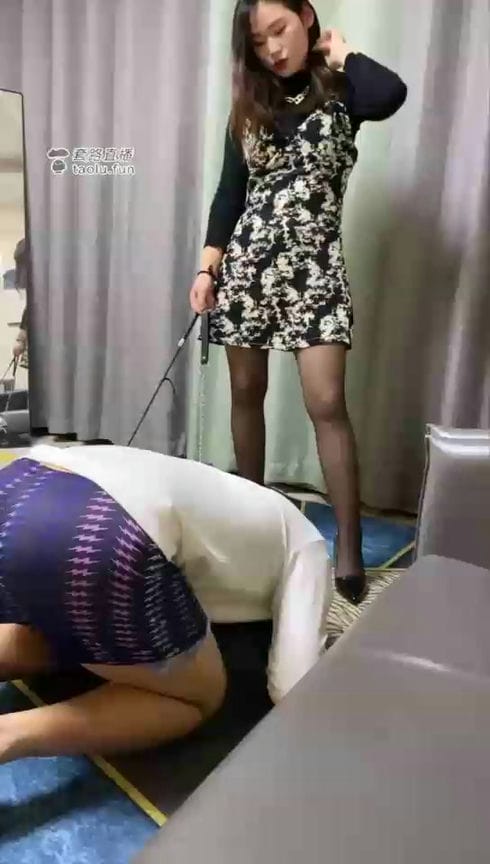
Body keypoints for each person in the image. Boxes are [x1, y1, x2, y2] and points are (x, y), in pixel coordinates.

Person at [190, 1, 407, 605]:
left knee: (327, 402)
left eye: (280, 30)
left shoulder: (341, 88)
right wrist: (207, 267)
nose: (273, 49)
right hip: (248, 269)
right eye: (259, 42)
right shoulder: (247, 105)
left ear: (306, 17)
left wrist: (344, 54)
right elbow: (229, 194)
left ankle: (348, 549)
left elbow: (391, 94)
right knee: (245, 393)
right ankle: (256, 525)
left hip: (316, 269)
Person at [0, 444, 331, 764]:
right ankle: (11, 733)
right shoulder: (308, 544)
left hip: (21, 481)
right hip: (96, 528)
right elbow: (293, 688)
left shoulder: (236, 496)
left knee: (62, 627)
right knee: (198, 695)